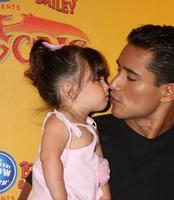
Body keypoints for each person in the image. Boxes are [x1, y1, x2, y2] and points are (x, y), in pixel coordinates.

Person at [19, 24, 174, 200]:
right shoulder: (84, 134)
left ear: (168, 92)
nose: (113, 83)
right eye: (118, 70)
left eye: (131, 77)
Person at [24, 40, 111, 200]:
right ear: (69, 90)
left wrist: (105, 196)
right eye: (98, 80)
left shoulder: (91, 127)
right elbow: (49, 159)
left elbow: (101, 168)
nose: (107, 86)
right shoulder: (59, 123)